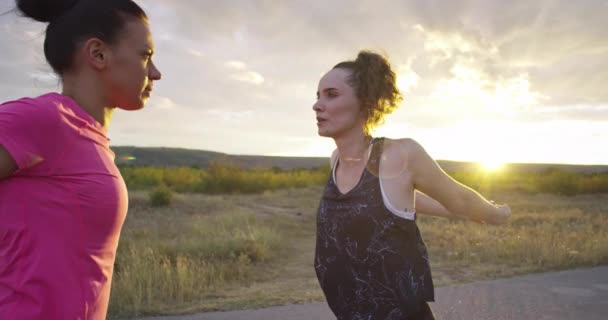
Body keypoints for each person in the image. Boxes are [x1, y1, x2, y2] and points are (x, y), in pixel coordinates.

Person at [312, 51, 511, 320]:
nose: (317, 105)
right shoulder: (336, 160)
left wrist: (496, 214)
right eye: (318, 95)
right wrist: (451, 211)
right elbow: (394, 201)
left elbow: (458, 198)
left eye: (331, 94)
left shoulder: (397, 154)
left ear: (364, 101)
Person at [0, 0, 161, 318]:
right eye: (146, 56)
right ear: (98, 54)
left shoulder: (92, 142)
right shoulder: (46, 119)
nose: (155, 73)